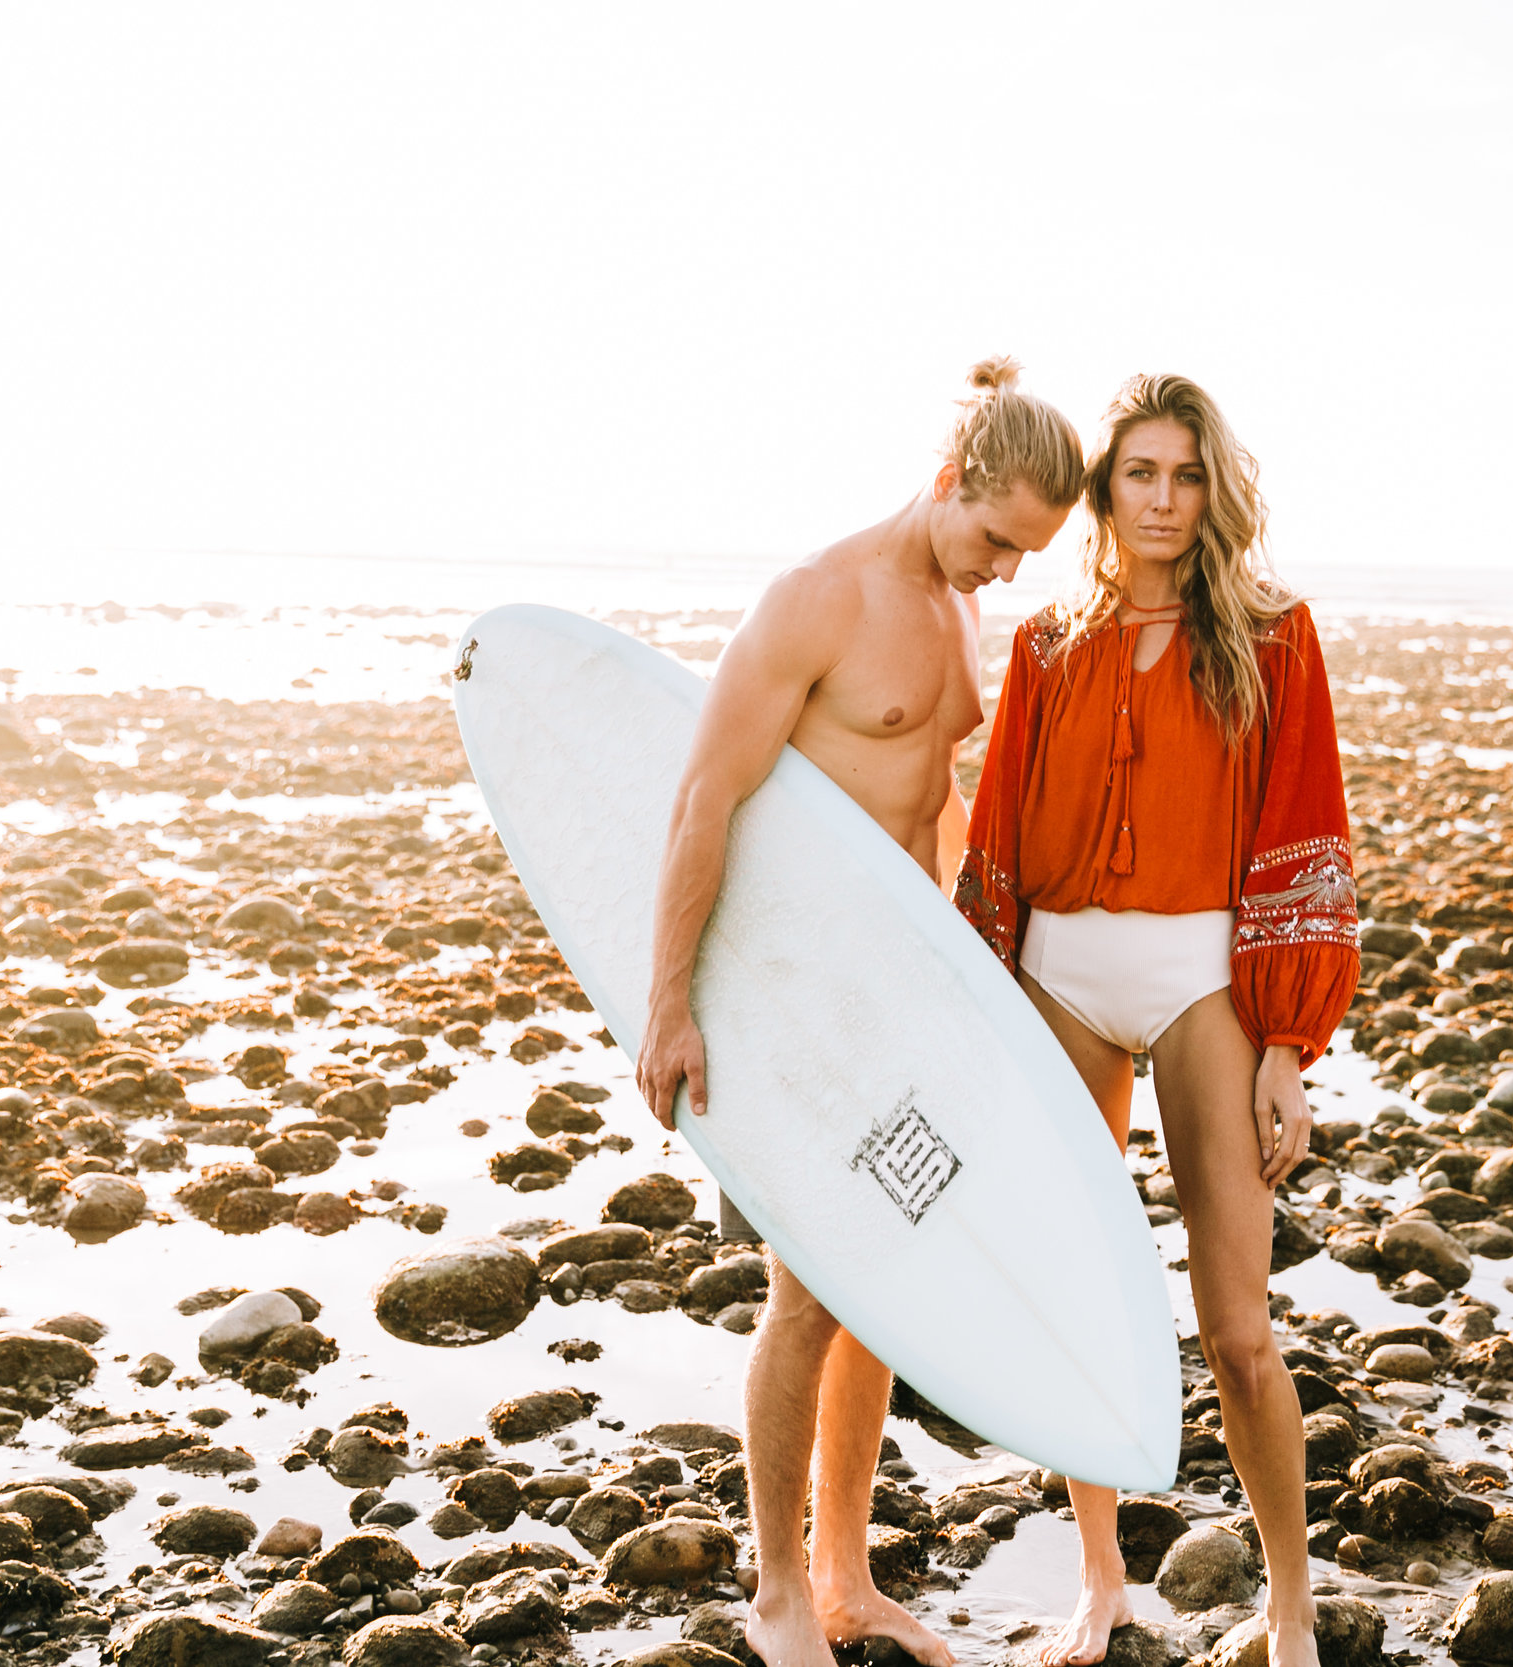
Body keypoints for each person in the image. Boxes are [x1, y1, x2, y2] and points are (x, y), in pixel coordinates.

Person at [636, 359, 1087, 1667]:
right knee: (807, 1292)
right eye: (998, 537)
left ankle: (847, 1579)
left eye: (1030, 553)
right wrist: (670, 1006)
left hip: (896, 1001)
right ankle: (779, 1595)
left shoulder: (952, 611)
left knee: (871, 1292)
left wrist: (969, 970)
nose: (1007, 569)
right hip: (794, 999)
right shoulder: (817, 602)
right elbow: (700, 801)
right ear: (950, 483)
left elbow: (928, 802)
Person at [955, 374, 1360, 1667]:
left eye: (1187, 476)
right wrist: (978, 1017)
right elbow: (998, 841)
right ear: (1104, 489)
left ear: (1212, 489)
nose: (1166, 500)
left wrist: (1286, 1048)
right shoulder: (1045, 649)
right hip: (1058, 979)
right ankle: (1100, 1579)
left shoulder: (1275, 638)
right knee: (1080, 1301)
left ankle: (1288, 1608)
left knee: (1239, 1329)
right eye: (1142, 474)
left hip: (1205, 983)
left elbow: (1307, 825)